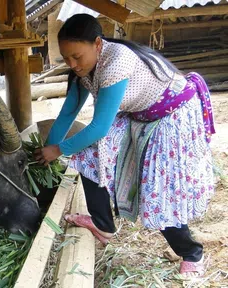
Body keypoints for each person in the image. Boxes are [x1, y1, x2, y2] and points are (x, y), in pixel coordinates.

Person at [34, 14, 215, 279]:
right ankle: (102, 224)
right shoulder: (84, 70)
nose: (72, 65)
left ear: (97, 44)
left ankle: (191, 253)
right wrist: (46, 151)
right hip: (139, 113)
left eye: (77, 56)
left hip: (171, 114)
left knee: (158, 189)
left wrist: (59, 150)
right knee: (88, 154)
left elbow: (99, 128)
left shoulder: (116, 62)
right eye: (66, 58)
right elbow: (66, 115)